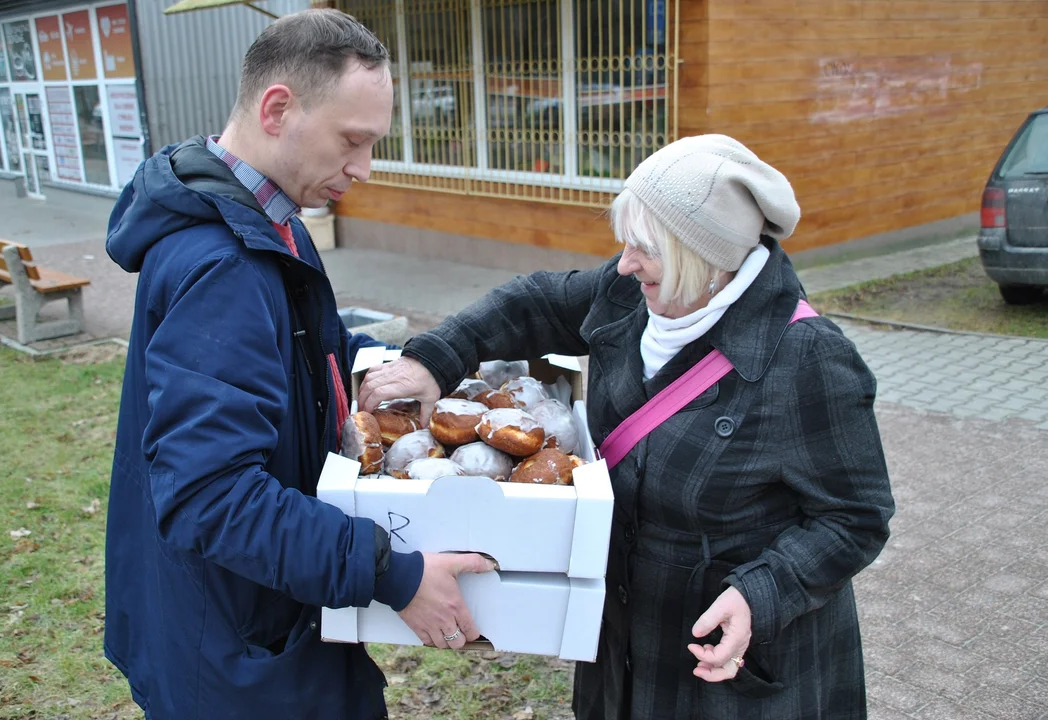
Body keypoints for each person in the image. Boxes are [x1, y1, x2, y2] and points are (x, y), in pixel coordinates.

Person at [359, 134, 895, 719]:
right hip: (621, 650)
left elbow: (856, 516)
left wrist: (762, 592)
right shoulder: (627, 298)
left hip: (732, 667)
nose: (625, 263)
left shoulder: (806, 358)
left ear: (705, 255)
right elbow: (530, 302)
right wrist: (435, 357)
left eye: (646, 249)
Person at [103, 10, 493, 720]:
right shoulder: (224, 264)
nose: (364, 169)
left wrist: (383, 367)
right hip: (235, 653)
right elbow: (209, 497)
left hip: (259, 621)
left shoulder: (272, 223)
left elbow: (302, 352)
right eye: (353, 140)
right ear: (278, 109)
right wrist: (393, 572)